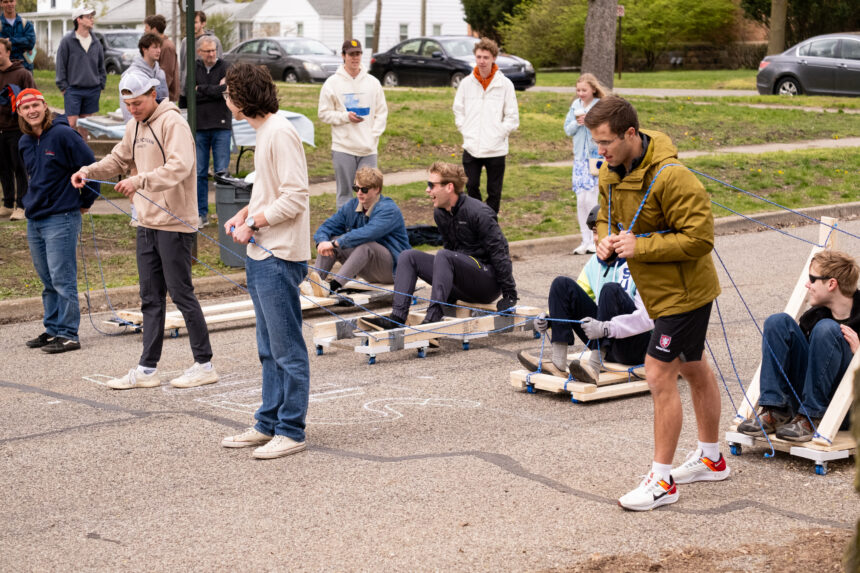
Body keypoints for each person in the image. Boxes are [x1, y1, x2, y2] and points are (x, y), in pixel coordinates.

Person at [584, 96, 728, 511]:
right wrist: (604, 239)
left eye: (606, 142)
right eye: (596, 143)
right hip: (658, 292)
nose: (601, 151)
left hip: (686, 293)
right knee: (693, 367)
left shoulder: (673, 176)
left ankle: (662, 482)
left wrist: (640, 246)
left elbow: (700, 239)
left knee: (658, 371)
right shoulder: (610, 172)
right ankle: (712, 459)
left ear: (630, 133)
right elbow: (605, 217)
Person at [71, 73, 218, 391]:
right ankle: (147, 369)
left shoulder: (173, 123)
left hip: (174, 222)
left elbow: (181, 166)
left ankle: (204, 364)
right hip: (146, 221)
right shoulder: (134, 125)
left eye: (137, 103)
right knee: (150, 297)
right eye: (127, 104)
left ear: (153, 94)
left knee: (181, 293)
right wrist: (88, 171)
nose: (132, 109)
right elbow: (118, 158)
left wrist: (140, 181)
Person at [219, 62, 312, 460]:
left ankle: (291, 430)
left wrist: (254, 223)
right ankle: (267, 423)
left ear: (242, 98)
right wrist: (245, 214)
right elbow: (269, 191)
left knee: (287, 350)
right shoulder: (264, 133)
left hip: (279, 256)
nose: (225, 99)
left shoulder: (280, 132)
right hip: (261, 253)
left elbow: (295, 197)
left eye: (228, 93)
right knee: (268, 349)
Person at [363, 161, 518, 330]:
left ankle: (433, 319)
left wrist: (509, 294)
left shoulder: (479, 212)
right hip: (463, 281)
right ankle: (397, 318)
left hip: (486, 283)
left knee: (443, 255)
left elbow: (499, 252)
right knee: (408, 256)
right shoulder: (440, 213)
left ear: (449, 187)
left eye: (432, 185)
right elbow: (451, 250)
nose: (427, 190)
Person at [517, 206, 653, 380]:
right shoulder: (594, 264)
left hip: (636, 347)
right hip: (608, 344)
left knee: (610, 290)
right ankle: (558, 363)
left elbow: (649, 319)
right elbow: (575, 298)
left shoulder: (638, 261)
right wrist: (550, 319)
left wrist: (606, 328)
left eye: (601, 232)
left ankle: (594, 367)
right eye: (594, 232)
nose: (596, 238)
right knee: (561, 284)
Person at [738, 250, 859, 442]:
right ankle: (776, 410)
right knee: (778, 322)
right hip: (804, 403)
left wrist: (858, 354)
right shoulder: (814, 316)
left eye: (812, 279)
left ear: (831, 284)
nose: (807, 284)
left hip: (844, 410)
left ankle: (811, 418)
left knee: (826, 328)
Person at [17, 88, 98, 354]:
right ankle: (52, 329)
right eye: (26, 107)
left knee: (63, 279)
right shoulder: (25, 142)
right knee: (47, 280)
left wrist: (85, 202)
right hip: (35, 218)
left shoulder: (63, 134)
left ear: (45, 105)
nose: (32, 111)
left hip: (61, 217)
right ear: (20, 112)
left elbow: (91, 169)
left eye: (35, 105)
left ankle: (68, 333)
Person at [313, 166, 410, 290]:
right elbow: (327, 226)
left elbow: (367, 233)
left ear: (377, 189)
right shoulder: (351, 206)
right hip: (370, 271)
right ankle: (315, 284)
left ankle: (333, 287)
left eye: (364, 189)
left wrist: (335, 243)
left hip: (395, 270)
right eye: (356, 188)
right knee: (330, 241)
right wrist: (322, 242)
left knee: (366, 246)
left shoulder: (389, 209)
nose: (359, 193)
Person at [318, 39, 387, 209]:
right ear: (343, 56)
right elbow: (323, 113)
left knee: (369, 193)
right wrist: (345, 117)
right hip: (343, 147)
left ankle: (368, 224)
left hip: (368, 149)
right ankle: (345, 224)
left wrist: (373, 136)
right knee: (345, 194)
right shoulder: (332, 83)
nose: (355, 58)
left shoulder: (373, 82)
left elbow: (381, 113)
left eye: (358, 54)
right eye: (351, 54)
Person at [452, 37, 519, 215]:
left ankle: (490, 222)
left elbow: (512, 117)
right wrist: (464, 128)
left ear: (493, 58)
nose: (482, 61)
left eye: (486, 57)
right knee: (471, 185)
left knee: (494, 192)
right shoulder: (466, 83)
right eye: (479, 57)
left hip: (496, 148)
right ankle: (476, 219)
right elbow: (458, 109)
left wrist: (500, 132)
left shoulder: (505, 85)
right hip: (471, 145)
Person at [563, 73, 606, 255]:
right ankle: (585, 240)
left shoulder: (600, 106)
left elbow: (605, 129)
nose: (580, 93)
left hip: (596, 159)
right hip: (580, 159)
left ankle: (597, 239)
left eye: (584, 90)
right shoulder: (575, 106)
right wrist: (577, 122)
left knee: (591, 199)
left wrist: (589, 122)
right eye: (578, 90)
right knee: (581, 200)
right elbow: (568, 129)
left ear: (593, 90)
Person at [192, 36, 231, 227]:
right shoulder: (194, 68)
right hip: (200, 126)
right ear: (200, 52)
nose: (212, 54)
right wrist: (215, 89)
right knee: (199, 172)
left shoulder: (226, 67)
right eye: (207, 51)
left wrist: (202, 89)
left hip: (221, 125)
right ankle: (201, 213)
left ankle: (225, 214)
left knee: (221, 172)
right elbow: (189, 93)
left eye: (214, 50)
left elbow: (226, 91)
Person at [55, 6, 105, 136]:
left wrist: (101, 84)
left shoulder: (96, 42)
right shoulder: (67, 41)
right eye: (88, 17)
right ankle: (70, 148)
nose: (92, 19)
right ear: (79, 19)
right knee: (71, 123)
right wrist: (63, 87)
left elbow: (101, 66)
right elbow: (60, 65)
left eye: (92, 17)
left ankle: (83, 149)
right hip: (73, 90)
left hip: (92, 89)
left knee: (85, 125)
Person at [0, 36, 33, 221]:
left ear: (8, 52)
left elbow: (33, 97)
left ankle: (22, 205)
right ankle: (7, 204)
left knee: (19, 168)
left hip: (17, 130)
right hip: (0, 131)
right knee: (3, 168)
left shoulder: (22, 74)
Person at [119, 33, 168, 121]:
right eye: (155, 47)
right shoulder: (131, 75)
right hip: (140, 125)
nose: (159, 50)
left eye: (159, 47)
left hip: (160, 123)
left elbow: (165, 101)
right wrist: (134, 127)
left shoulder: (161, 74)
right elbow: (127, 107)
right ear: (144, 49)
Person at [179, 10, 222, 100]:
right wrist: (182, 89)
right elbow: (182, 68)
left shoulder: (214, 41)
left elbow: (219, 66)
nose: (191, 25)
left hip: (205, 94)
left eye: (195, 22)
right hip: (186, 93)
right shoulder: (185, 42)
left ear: (203, 23)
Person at [143, 14, 178, 102]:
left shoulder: (167, 46)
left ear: (154, 29)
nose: (144, 30)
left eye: (146, 27)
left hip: (164, 97)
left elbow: (167, 74)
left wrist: (159, 94)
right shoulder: (157, 45)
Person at [0, 0, 35, 72]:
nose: (9, 4)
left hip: (25, 69)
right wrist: (22, 42)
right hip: (3, 71)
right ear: (1, 4)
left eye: (11, 1)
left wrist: (10, 41)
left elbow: (30, 43)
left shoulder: (26, 24)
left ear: (15, 2)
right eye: (6, 2)